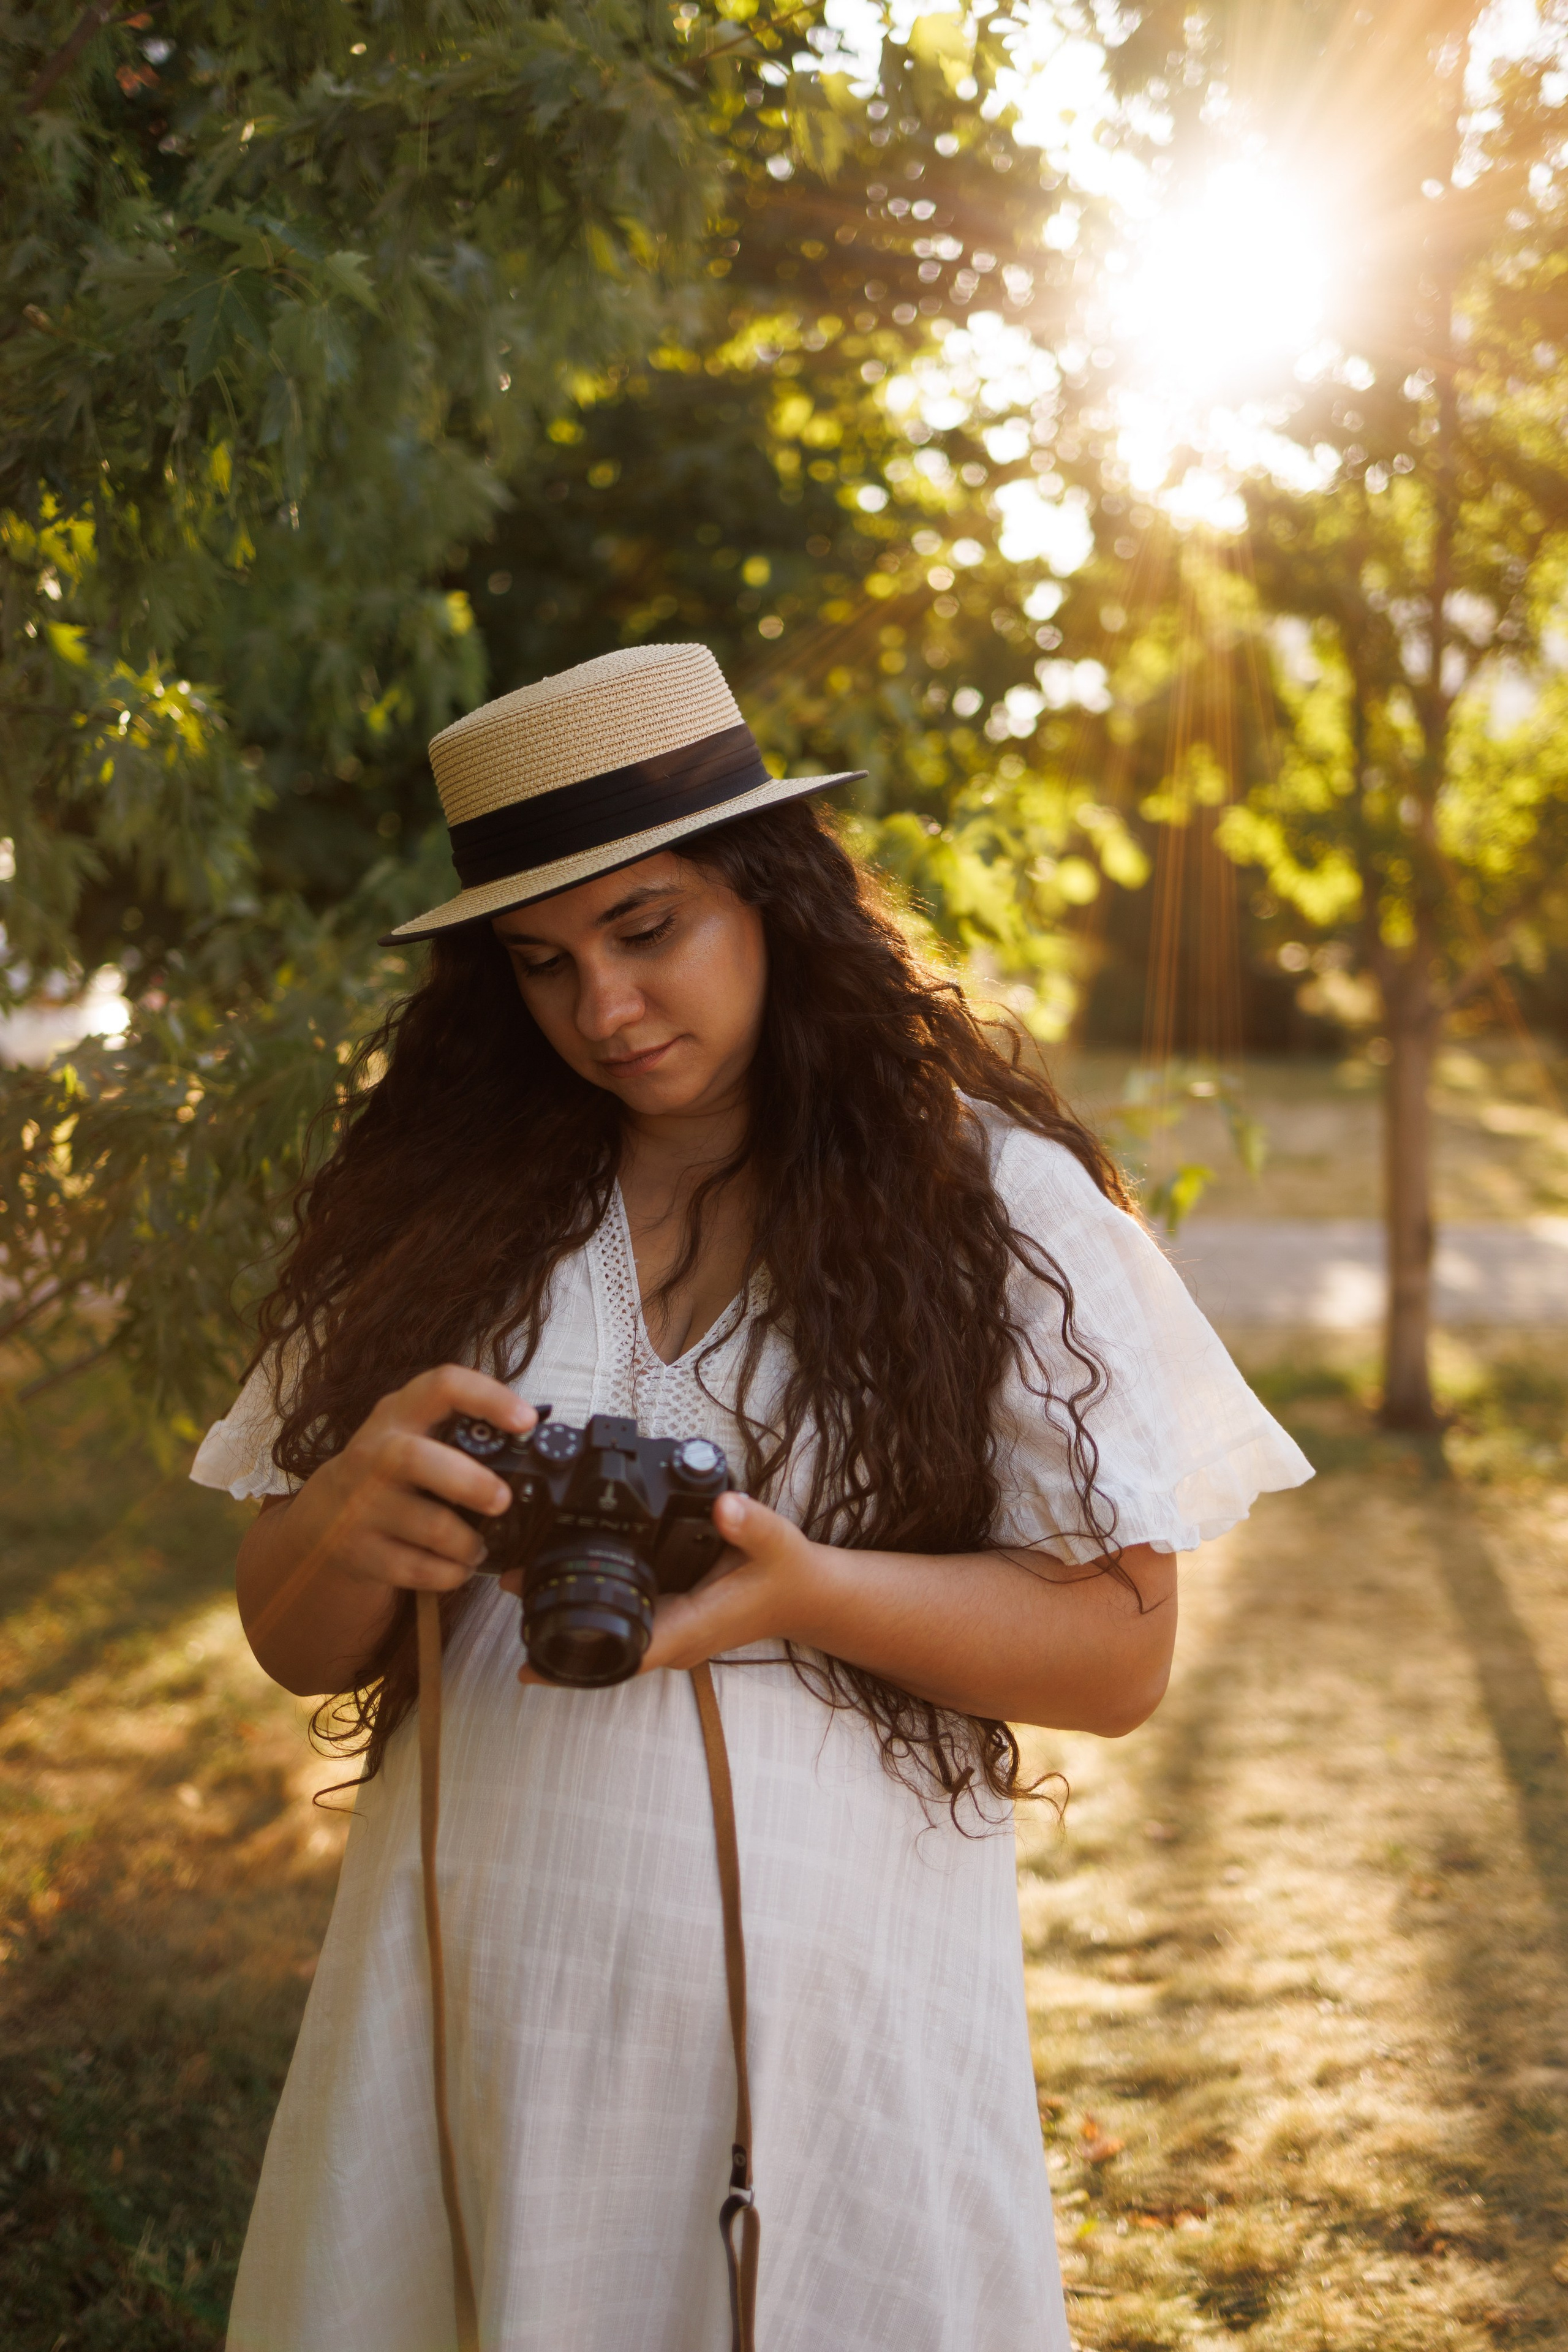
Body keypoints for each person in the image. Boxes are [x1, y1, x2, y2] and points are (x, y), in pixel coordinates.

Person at [194, 641, 1311, 2352]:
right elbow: (291, 1637)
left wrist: (807, 1591)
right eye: (543, 963)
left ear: (776, 899)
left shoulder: (992, 1205)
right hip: (472, 2011)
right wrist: (355, 1513)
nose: (605, 1010)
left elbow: (1120, 1656)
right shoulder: (445, 1210)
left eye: (647, 930)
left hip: (832, 2038)